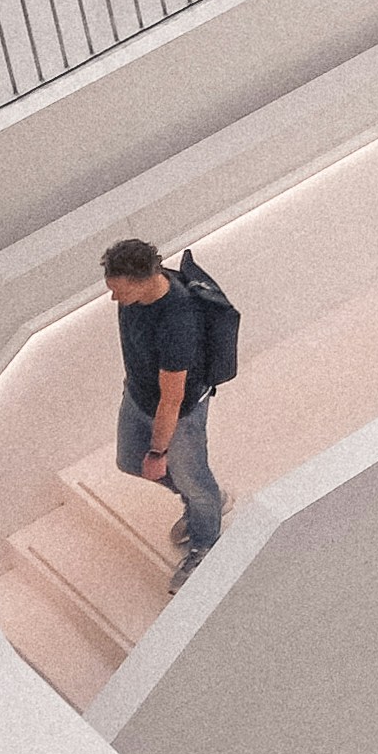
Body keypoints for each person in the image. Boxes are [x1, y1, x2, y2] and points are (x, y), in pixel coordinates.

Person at [101, 235, 232, 583]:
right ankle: (202, 501)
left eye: (119, 290)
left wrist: (159, 452)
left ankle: (205, 541)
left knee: (192, 478)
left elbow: (172, 399)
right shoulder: (136, 296)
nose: (114, 298)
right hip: (138, 395)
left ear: (143, 280)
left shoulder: (178, 322)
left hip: (180, 412)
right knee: (129, 461)